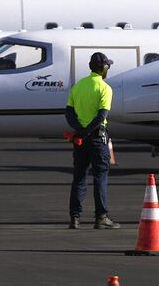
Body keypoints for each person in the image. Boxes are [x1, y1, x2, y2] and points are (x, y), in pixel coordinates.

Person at [65, 52, 118, 230]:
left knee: (79, 177)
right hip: (97, 139)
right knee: (100, 177)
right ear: (104, 68)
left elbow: (69, 113)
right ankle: (101, 217)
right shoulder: (105, 88)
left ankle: (75, 218)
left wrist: (80, 132)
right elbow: (101, 116)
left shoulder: (78, 86)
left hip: (80, 140)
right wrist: (87, 133)